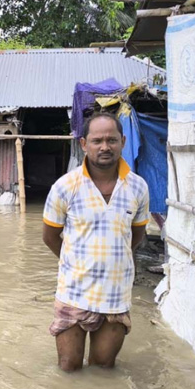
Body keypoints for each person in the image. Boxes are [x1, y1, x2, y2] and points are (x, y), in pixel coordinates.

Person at [42, 113, 150, 372]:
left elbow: (137, 235)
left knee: (104, 368)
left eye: (111, 140)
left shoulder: (138, 187)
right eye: (97, 140)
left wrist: (114, 261)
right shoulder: (65, 186)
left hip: (116, 294)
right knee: (68, 368)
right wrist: (77, 263)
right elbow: (49, 236)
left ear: (123, 141)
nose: (105, 147)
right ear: (83, 144)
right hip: (74, 292)